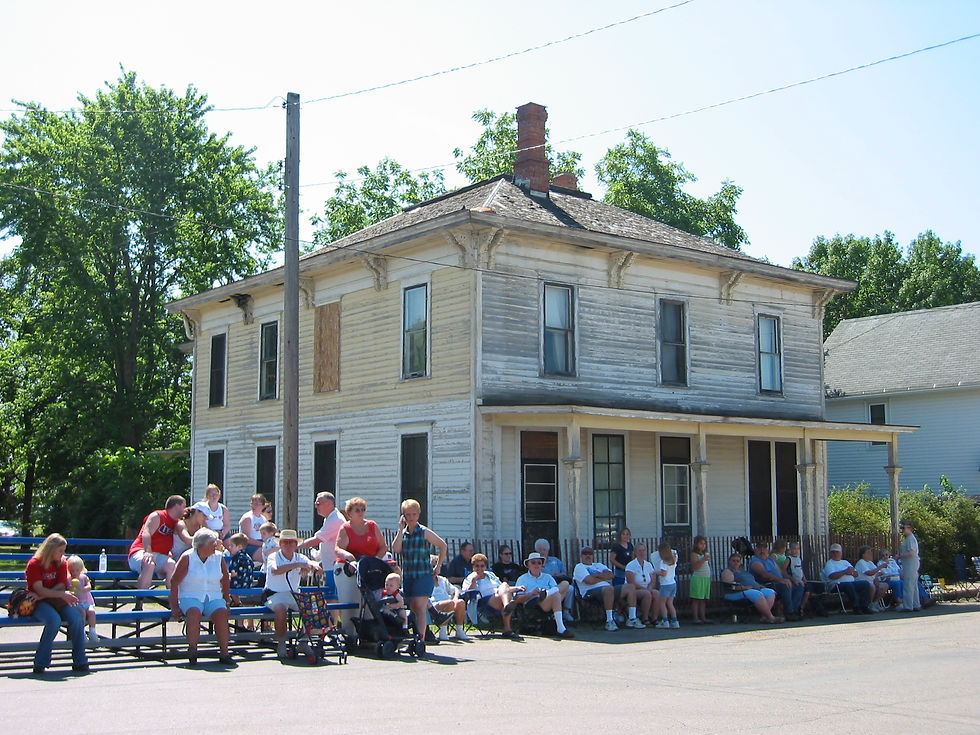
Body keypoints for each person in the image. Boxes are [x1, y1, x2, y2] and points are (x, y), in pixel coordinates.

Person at [26, 534, 90, 674]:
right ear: (51, 549)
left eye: (64, 550)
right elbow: (38, 589)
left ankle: (80, 660)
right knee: (54, 620)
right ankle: (40, 662)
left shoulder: (62, 562)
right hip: (39, 603)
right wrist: (57, 594)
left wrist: (51, 594)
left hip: (55, 599)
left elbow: (61, 584)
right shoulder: (34, 564)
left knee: (77, 617)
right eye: (60, 550)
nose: (63, 554)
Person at [170, 528, 234, 666]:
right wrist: (174, 606)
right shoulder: (187, 557)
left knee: (221, 614)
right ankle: (192, 651)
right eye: (212, 543)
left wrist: (227, 601)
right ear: (202, 545)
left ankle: (225, 653)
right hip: (190, 596)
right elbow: (174, 581)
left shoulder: (219, 558)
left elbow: (225, 580)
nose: (215, 545)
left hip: (214, 596)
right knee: (194, 613)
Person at [391, 498, 448, 646]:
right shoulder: (403, 534)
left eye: (414, 514)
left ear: (418, 514)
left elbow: (442, 545)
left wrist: (438, 566)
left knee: (419, 606)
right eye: (408, 514)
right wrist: (400, 529)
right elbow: (396, 549)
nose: (411, 517)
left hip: (423, 575)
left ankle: (421, 640)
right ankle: (420, 635)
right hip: (409, 575)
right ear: (403, 516)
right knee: (413, 607)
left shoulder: (424, 532)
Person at [334, 497, 389, 636]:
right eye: (357, 510)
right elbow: (338, 549)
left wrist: (375, 561)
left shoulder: (372, 525)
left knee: (370, 604)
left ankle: (368, 637)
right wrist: (350, 557)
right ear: (349, 513)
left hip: (369, 569)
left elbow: (383, 547)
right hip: (349, 570)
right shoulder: (345, 528)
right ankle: (350, 636)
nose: (361, 512)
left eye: (363, 509)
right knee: (351, 604)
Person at [265, 529, 320, 658]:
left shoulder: (301, 557)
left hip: (294, 595)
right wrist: (298, 565)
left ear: (296, 545)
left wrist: (311, 567)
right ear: (280, 544)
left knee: (313, 608)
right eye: (285, 542)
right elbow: (275, 570)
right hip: (274, 595)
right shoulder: (273, 556)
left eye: (291, 542)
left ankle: (303, 641)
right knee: (281, 610)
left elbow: (317, 568)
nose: (288, 545)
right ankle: (281, 643)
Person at [573, 546, 642, 631]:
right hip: (589, 592)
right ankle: (609, 621)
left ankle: (632, 618)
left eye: (590, 554)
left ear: (593, 555)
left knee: (630, 587)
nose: (588, 556)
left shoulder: (599, 565)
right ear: (581, 556)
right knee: (608, 589)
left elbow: (611, 575)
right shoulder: (579, 567)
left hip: (608, 589)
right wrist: (603, 577)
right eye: (585, 554)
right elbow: (589, 581)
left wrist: (596, 576)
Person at [128, 495, 186, 588]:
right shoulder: (158, 515)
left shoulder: (177, 523)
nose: (185, 509)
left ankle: (172, 596)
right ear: (176, 506)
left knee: (171, 565)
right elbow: (146, 533)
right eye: (183, 506)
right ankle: (141, 596)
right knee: (149, 563)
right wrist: (148, 552)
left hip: (159, 557)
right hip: (140, 552)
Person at [514, 552, 574, 638]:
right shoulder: (522, 579)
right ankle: (561, 628)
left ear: (542, 565)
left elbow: (557, 589)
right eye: (533, 562)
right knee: (556, 594)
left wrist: (547, 593)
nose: (536, 565)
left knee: (565, 583)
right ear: (528, 565)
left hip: (550, 599)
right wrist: (531, 594)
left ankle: (547, 593)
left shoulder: (548, 577)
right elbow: (517, 598)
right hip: (533, 602)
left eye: (539, 563)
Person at [298, 491, 345, 599]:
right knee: (329, 597)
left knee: (333, 598)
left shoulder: (335, 519)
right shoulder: (329, 518)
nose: (316, 506)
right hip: (329, 566)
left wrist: (295, 545)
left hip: (335, 567)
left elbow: (317, 540)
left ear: (329, 504)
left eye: (318, 504)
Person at [463, 553, 521, 639]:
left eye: (482, 566)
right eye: (477, 566)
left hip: (498, 596)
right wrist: (474, 581)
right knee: (505, 596)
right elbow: (468, 593)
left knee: (504, 584)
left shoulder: (490, 575)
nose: (479, 568)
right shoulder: (470, 577)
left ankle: (506, 606)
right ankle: (507, 628)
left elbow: (503, 589)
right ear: (473, 567)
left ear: (485, 566)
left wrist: (517, 588)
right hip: (482, 601)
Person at [720, 553, 780, 623]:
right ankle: (771, 617)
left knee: (770, 592)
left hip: (753, 590)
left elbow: (752, 581)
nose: (736, 563)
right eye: (733, 561)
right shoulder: (727, 571)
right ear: (729, 561)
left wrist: (759, 586)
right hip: (735, 593)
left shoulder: (743, 571)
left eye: (738, 561)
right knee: (756, 594)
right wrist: (744, 588)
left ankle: (764, 617)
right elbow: (729, 586)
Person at [750, 541, 803, 620]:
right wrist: (782, 580)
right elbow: (765, 574)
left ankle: (794, 610)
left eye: (764, 548)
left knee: (799, 586)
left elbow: (781, 572)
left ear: (767, 550)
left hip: (778, 582)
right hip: (766, 584)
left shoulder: (770, 560)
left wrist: (793, 580)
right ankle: (789, 612)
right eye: (759, 549)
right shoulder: (755, 562)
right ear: (755, 550)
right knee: (785, 586)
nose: (762, 550)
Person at [429, 555, 471, 642]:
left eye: (436, 566)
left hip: (448, 603)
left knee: (460, 602)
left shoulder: (442, 580)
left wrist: (455, 598)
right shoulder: (425, 580)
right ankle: (443, 631)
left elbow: (456, 589)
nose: (434, 569)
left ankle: (459, 630)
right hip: (433, 606)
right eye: (432, 566)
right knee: (449, 603)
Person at [822, 543, 872, 614]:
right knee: (848, 585)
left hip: (851, 583)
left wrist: (850, 573)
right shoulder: (829, 563)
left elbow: (856, 574)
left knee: (865, 583)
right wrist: (845, 572)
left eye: (837, 552)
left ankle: (864, 606)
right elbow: (832, 576)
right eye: (833, 552)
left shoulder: (845, 562)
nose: (835, 554)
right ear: (831, 553)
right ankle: (856, 607)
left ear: (841, 553)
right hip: (836, 585)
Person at [535, 538, 575, 621]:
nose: (542, 552)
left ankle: (566, 612)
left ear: (548, 551)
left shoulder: (556, 561)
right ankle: (553, 613)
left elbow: (564, 573)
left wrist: (557, 575)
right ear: (536, 551)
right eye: (540, 550)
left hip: (558, 583)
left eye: (544, 550)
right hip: (545, 585)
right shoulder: (535, 563)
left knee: (570, 589)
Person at [66, 555, 99, 645]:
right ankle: (82, 632)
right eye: (72, 571)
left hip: (87, 601)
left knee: (91, 612)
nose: (74, 573)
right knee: (82, 613)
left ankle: (92, 631)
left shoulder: (84, 577)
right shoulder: (68, 580)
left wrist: (82, 588)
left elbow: (89, 587)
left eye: (77, 570)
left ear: (81, 569)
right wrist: (71, 588)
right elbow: (67, 589)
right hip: (77, 603)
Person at [625, 543, 660, 625]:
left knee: (656, 593)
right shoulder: (631, 565)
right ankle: (645, 618)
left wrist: (650, 588)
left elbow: (653, 581)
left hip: (647, 588)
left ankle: (654, 618)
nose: (642, 553)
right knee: (647, 594)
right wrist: (646, 590)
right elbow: (631, 583)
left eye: (643, 550)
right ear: (635, 552)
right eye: (639, 551)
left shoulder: (648, 565)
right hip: (634, 590)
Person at [787, 541, 824, 616]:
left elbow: (800, 570)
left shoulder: (799, 559)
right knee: (803, 589)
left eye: (798, 549)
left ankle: (802, 607)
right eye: (794, 549)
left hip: (801, 580)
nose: (796, 551)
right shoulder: (789, 559)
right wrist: (793, 580)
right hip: (794, 581)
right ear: (790, 549)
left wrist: (804, 578)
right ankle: (796, 609)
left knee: (811, 590)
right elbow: (783, 571)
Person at [855, 545, 890, 611]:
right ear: (863, 555)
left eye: (871, 552)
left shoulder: (870, 563)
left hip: (872, 581)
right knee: (872, 586)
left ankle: (875, 603)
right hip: (863, 583)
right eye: (868, 552)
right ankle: (869, 604)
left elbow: (879, 573)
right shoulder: (861, 562)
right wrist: (881, 567)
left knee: (885, 586)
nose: (871, 554)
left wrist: (876, 578)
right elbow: (869, 573)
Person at [653, 543, 681, 629]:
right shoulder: (673, 560)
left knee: (662, 603)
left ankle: (665, 621)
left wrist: (654, 572)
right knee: (670, 603)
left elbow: (663, 573)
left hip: (665, 584)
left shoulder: (663, 562)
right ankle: (675, 621)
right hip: (673, 583)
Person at [896, 520, 921, 612]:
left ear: (909, 528)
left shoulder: (910, 539)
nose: (902, 530)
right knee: (913, 586)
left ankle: (908, 606)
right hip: (910, 564)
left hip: (910, 564)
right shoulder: (910, 538)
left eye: (903, 528)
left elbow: (911, 553)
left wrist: (899, 556)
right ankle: (916, 604)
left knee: (908, 585)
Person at [689, 536, 713, 624]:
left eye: (704, 544)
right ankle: (695, 618)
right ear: (696, 544)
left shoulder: (705, 553)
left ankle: (703, 618)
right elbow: (695, 566)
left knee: (703, 600)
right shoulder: (694, 554)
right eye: (701, 543)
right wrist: (703, 559)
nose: (703, 545)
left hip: (705, 578)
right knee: (696, 599)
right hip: (698, 579)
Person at [239, 494, 268, 561]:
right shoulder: (247, 518)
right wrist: (262, 544)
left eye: (257, 504)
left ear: (263, 506)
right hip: (249, 545)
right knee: (266, 555)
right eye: (252, 503)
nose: (254, 506)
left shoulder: (263, 519)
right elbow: (246, 539)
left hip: (261, 543)